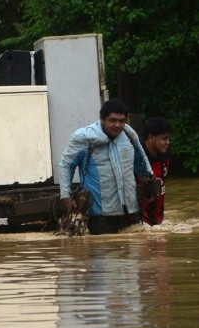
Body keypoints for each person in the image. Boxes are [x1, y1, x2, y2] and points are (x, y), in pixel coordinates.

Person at [59, 99, 153, 235]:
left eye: (122, 121)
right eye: (113, 120)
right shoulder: (84, 137)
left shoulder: (128, 134)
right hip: (99, 215)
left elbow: (141, 161)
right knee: (106, 252)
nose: (118, 125)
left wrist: (149, 183)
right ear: (102, 119)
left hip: (131, 210)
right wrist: (65, 195)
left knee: (134, 252)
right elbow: (66, 165)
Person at [139, 117, 172, 225]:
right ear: (151, 137)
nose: (168, 143)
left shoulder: (165, 156)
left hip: (157, 221)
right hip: (139, 221)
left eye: (168, 139)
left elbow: (161, 188)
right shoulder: (136, 157)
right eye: (164, 138)